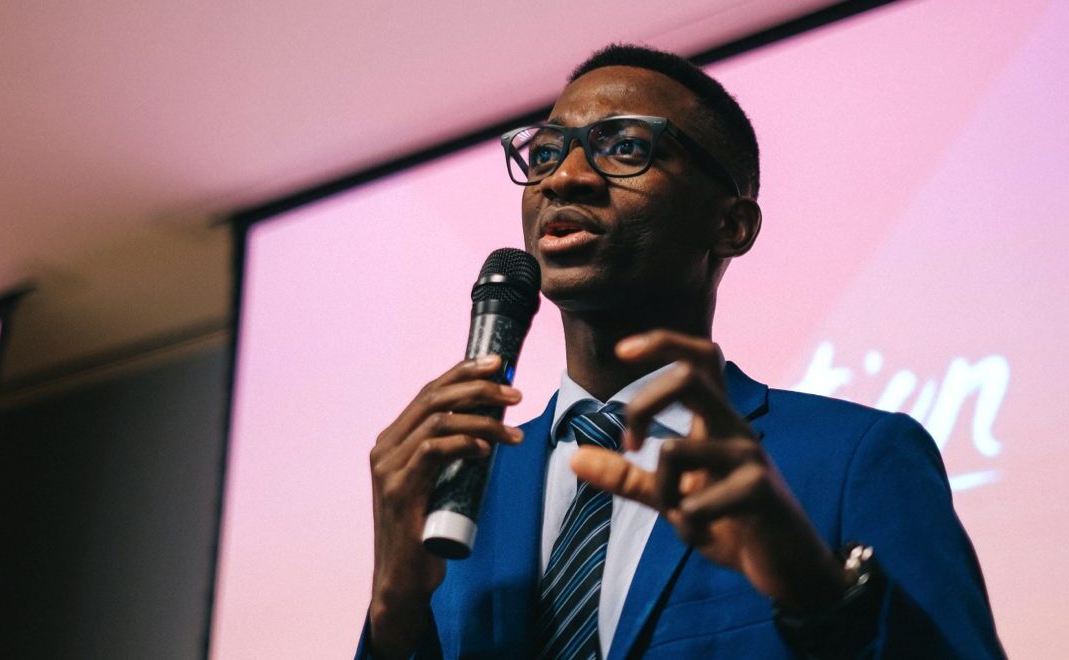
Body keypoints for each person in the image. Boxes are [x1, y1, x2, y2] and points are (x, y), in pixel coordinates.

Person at [361, 45, 1004, 659]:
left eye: (625, 147)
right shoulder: (461, 488)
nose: (567, 177)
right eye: (548, 152)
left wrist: (818, 595)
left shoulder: (852, 459)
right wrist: (392, 617)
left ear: (730, 225)